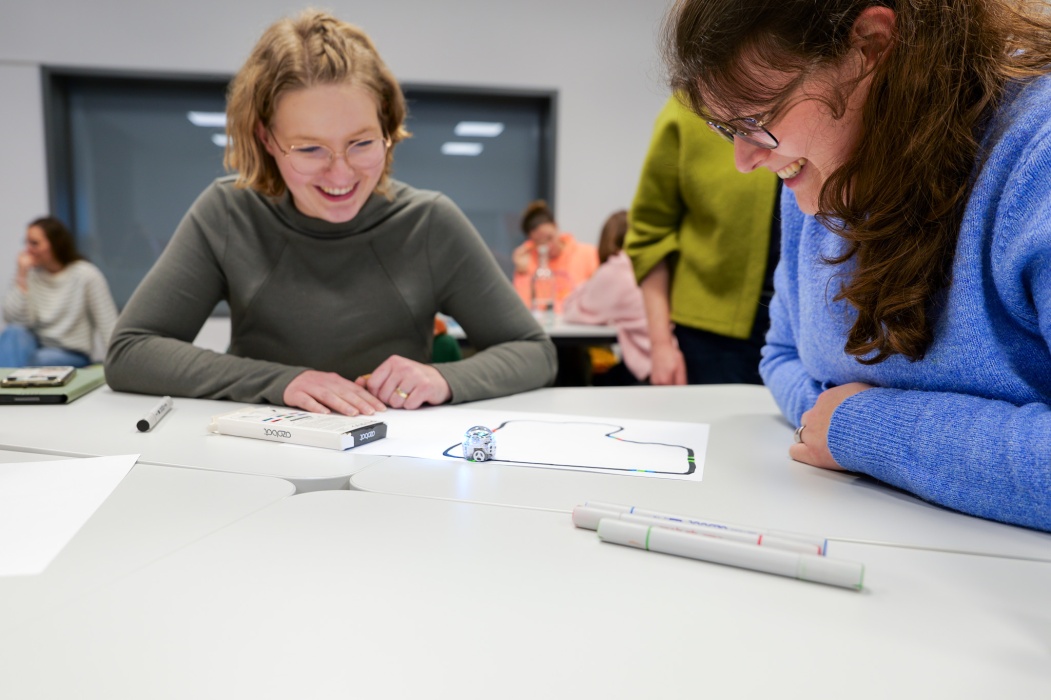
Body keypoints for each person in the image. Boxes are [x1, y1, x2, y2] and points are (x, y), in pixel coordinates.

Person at [662, 0, 1051, 531]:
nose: (744, 160)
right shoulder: (819, 174)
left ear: (871, 46)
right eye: (725, 127)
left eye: (759, 119)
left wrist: (864, 428)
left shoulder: (1036, 158)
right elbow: (781, 355)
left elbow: (836, 417)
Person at [105, 10, 556, 415]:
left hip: (391, 457)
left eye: (361, 142)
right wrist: (282, 382)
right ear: (267, 141)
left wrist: (444, 378)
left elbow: (534, 351)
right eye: (309, 148)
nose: (340, 173)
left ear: (388, 128)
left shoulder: (429, 222)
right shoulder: (228, 212)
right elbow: (130, 352)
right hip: (256, 452)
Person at [624, 94, 780, 386]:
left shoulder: (804, 96)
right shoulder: (687, 108)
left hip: (810, 333)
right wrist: (660, 344)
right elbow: (649, 236)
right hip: (709, 339)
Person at [0, 216, 118, 367]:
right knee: (13, 332)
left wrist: (118, 365)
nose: (27, 250)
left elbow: (108, 323)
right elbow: (17, 321)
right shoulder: (29, 274)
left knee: (39, 359)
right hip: (36, 346)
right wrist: (21, 277)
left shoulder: (85, 275)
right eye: (26, 243)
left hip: (71, 353)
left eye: (34, 243)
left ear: (55, 244)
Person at [562, 210, 650, 385]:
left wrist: (590, 281)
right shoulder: (644, 265)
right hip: (664, 356)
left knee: (571, 363)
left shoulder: (616, 270)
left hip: (649, 366)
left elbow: (573, 311)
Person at [512, 200, 599, 312]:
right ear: (531, 242)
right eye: (539, 242)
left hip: (582, 326)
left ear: (556, 226)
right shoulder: (530, 263)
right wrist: (522, 273)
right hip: (549, 327)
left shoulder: (588, 254)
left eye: (549, 238)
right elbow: (524, 309)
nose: (547, 246)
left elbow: (599, 297)